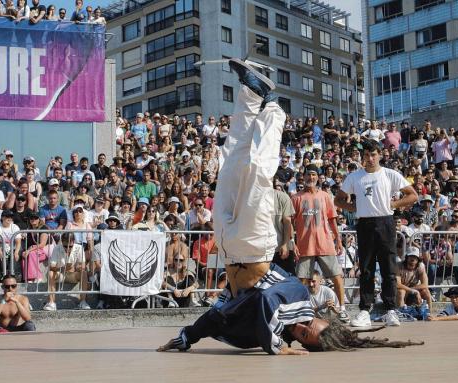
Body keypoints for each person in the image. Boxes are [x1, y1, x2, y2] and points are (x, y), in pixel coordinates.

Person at [158, 59, 422, 355]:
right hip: (254, 245)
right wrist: (276, 347)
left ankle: (250, 92)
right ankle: (273, 108)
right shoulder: (299, 298)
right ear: (323, 320)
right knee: (257, 172)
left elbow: (217, 315)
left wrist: (186, 338)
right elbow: (264, 300)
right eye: (316, 329)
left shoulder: (275, 331)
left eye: (308, 338)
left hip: (228, 243)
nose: (308, 330)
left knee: (231, 162)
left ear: (304, 345)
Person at [335, 139, 418, 327]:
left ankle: (391, 310)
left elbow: (413, 194)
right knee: (366, 268)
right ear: (362, 157)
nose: (370, 158)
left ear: (379, 154)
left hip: (386, 222)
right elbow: (337, 200)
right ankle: (365, 310)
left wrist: (393, 204)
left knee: (389, 268)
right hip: (364, 223)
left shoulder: (390, 174)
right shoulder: (354, 177)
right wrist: (353, 207)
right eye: (366, 155)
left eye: (373, 155)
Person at [291, 164, 348, 322]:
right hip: (304, 245)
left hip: (325, 244)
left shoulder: (325, 196)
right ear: (304, 177)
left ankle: (342, 308)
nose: (311, 178)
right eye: (308, 175)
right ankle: (300, 312)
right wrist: (292, 242)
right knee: (301, 280)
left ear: (318, 177)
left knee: (337, 276)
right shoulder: (296, 198)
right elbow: (289, 222)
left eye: (314, 175)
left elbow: (331, 219)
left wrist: (338, 239)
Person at [396, 247, 431, 311]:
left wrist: (413, 290)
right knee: (401, 292)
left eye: (415, 257)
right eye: (411, 256)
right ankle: (400, 313)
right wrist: (411, 290)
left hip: (414, 289)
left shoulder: (421, 266)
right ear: (406, 257)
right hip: (401, 290)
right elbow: (398, 284)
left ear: (418, 259)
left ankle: (429, 313)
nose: (412, 259)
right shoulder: (399, 265)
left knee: (426, 291)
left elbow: (425, 284)